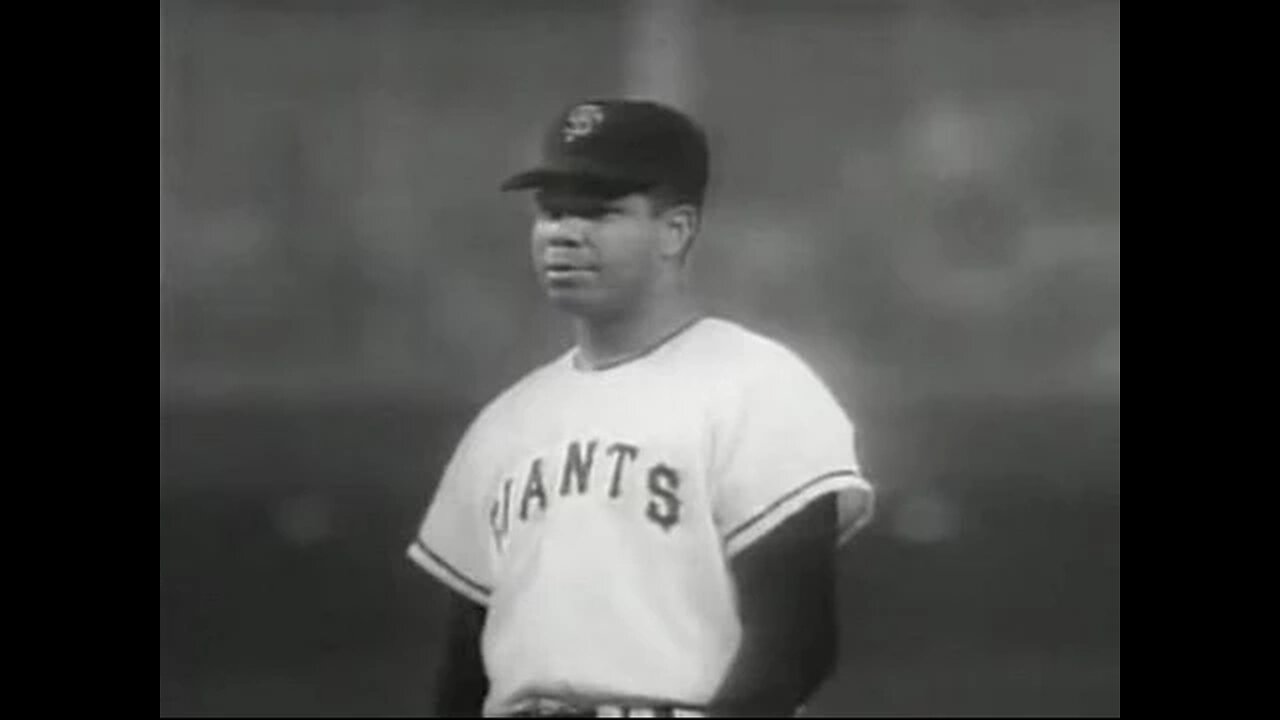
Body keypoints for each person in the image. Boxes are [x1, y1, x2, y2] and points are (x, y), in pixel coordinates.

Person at [407, 98, 875, 718]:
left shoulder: (758, 384)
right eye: (551, 212)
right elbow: (463, 672)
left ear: (676, 229)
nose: (565, 233)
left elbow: (795, 644)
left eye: (601, 213)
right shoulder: (505, 423)